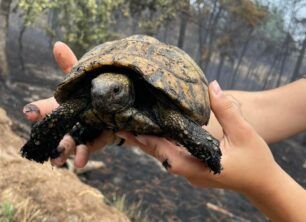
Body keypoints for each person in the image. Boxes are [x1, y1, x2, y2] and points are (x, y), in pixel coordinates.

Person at [23, 42, 306, 221]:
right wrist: (45, 139)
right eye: (96, 90)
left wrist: (261, 180)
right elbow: (276, 109)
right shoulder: (99, 93)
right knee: (66, 113)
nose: (100, 96)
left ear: (129, 90)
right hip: (141, 116)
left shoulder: (162, 108)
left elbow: (178, 120)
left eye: (115, 91)